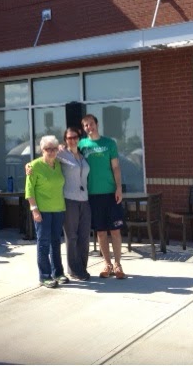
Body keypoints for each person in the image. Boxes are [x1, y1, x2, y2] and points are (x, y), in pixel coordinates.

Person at [78, 114, 125, 279]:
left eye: (91, 124)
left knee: (115, 231)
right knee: (101, 232)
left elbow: (116, 167)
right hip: (92, 195)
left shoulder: (109, 143)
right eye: (86, 125)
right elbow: (66, 156)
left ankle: (118, 264)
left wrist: (118, 188)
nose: (89, 127)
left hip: (110, 193)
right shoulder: (81, 145)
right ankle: (107, 264)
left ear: (96, 124)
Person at [25, 135, 67, 288]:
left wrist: (62, 147)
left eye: (54, 148)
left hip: (58, 209)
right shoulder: (34, 166)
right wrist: (34, 210)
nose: (51, 151)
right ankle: (44, 276)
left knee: (56, 242)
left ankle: (58, 273)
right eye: (47, 149)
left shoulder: (59, 163)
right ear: (42, 150)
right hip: (42, 211)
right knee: (43, 243)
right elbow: (29, 191)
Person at [57, 127, 91, 281]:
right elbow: (44, 155)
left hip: (85, 200)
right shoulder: (61, 154)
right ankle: (74, 270)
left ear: (79, 138)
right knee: (71, 236)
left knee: (84, 236)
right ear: (65, 140)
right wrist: (30, 167)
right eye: (69, 138)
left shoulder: (82, 156)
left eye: (75, 137)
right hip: (69, 200)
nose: (72, 140)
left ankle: (82, 268)